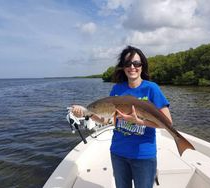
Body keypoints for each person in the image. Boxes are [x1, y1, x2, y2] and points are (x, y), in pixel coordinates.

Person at [71, 45, 172, 188]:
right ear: (123, 67)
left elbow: (167, 123)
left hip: (143, 155)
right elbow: (107, 119)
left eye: (136, 63)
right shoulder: (117, 89)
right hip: (118, 153)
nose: (132, 67)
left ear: (142, 66)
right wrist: (87, 113)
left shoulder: (152, 88)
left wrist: (139, 121)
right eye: (128, 63)